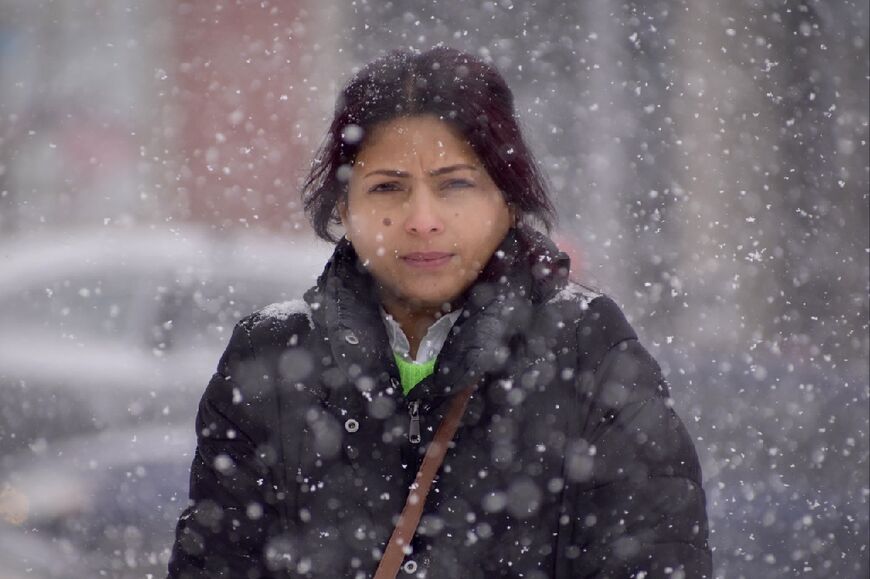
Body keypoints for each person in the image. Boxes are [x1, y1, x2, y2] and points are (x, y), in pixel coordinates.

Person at [168, 46, 712, 579]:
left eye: (455, 183)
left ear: (508, 197)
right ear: (344, 206)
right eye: (387, 187)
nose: (422, 219)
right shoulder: (269, 356)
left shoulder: (587, 347)